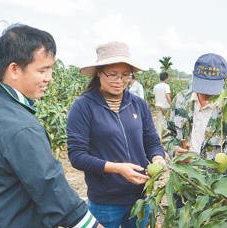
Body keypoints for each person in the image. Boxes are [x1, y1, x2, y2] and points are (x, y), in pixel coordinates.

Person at [0, 24, 100, 228]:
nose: (49, 78)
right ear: (14, 69)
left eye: (51, 69)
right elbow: (50, 186)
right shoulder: (19, 126)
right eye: (42, 70)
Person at [67, 41, 166, 228]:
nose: (120, 80)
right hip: (105, 201)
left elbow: (152, 141)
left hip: (141, 197)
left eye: (126, 75)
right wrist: (117, 168)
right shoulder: (83, 106)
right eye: (112, 74)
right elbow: (77, 156)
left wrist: (158, 157)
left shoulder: (139, 104)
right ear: (98, 73)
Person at [162, 53, 227, 166]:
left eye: (211, 87)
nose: (206, 93)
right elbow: (166, 135)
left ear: (224, 81)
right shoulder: (180, 101)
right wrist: (174, 150)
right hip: (184, 174)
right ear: (194, 77)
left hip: (214, 180)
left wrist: (218, 171)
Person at [153, 72, 171, 138]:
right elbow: (167, 96)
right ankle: (166, 137)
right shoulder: (166, 86)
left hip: (157, 105)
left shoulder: (156, 86)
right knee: (167, 121)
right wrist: (171, 105)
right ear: (166, 78)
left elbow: (155, 95)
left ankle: (159, 137)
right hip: (165, 106)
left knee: (159, 123)